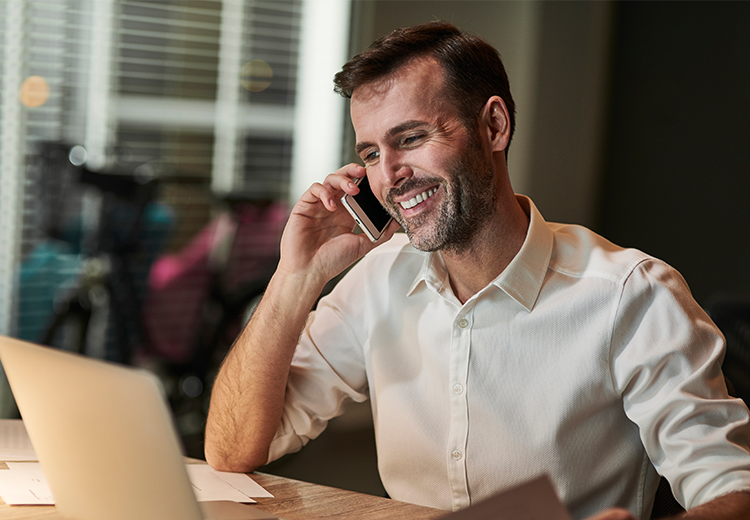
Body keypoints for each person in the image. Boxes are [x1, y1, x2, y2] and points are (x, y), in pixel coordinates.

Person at [204, 21, 750, 520]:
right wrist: (295, 276)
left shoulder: (633, 294)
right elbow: (232, 449)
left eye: (411, 138)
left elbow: (734, 492)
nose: (389, 176)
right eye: (370, 153)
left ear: (493, 125)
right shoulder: (377, 281)